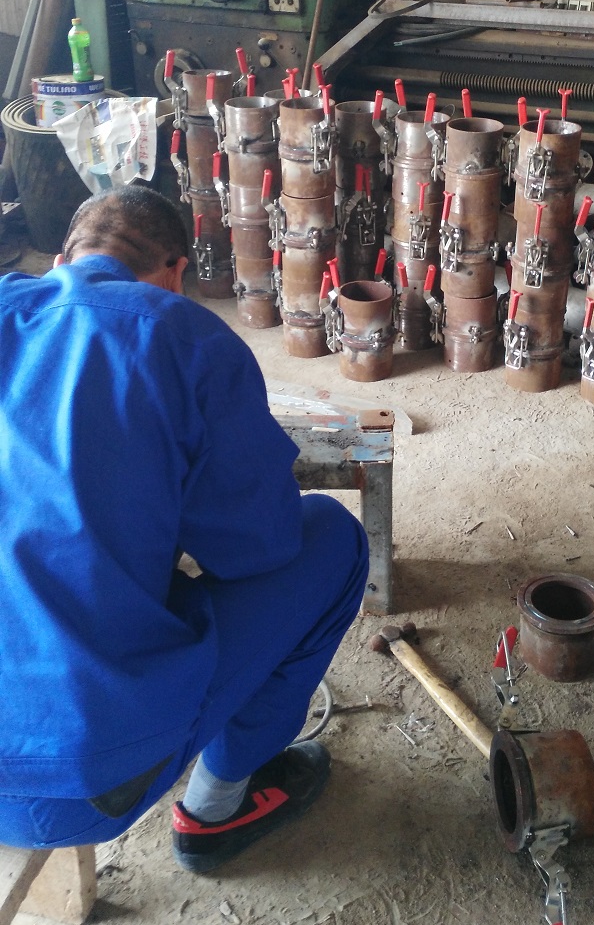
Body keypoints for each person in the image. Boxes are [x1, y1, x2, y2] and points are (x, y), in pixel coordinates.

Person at [0, 186, 368, 873]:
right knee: (333, 540)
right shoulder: (180, 333)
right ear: (175, 274)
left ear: (58, 262)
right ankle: (216, 810)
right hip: (77, 783)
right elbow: (258, 547)